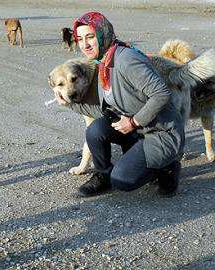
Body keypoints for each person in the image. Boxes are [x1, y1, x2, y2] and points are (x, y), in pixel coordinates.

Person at [54, 12, 185, 197]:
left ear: (102, 34)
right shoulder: (104, 63)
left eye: (90, 37)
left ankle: (168, 167)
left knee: (123, 180)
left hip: (161, 133)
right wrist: (68, 104)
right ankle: (103, 175)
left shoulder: (125, 60)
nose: (85, 45)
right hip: (139, 130)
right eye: (80, 38)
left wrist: (133, 122)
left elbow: (162, 94)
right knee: (96, 130)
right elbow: (103, 110)